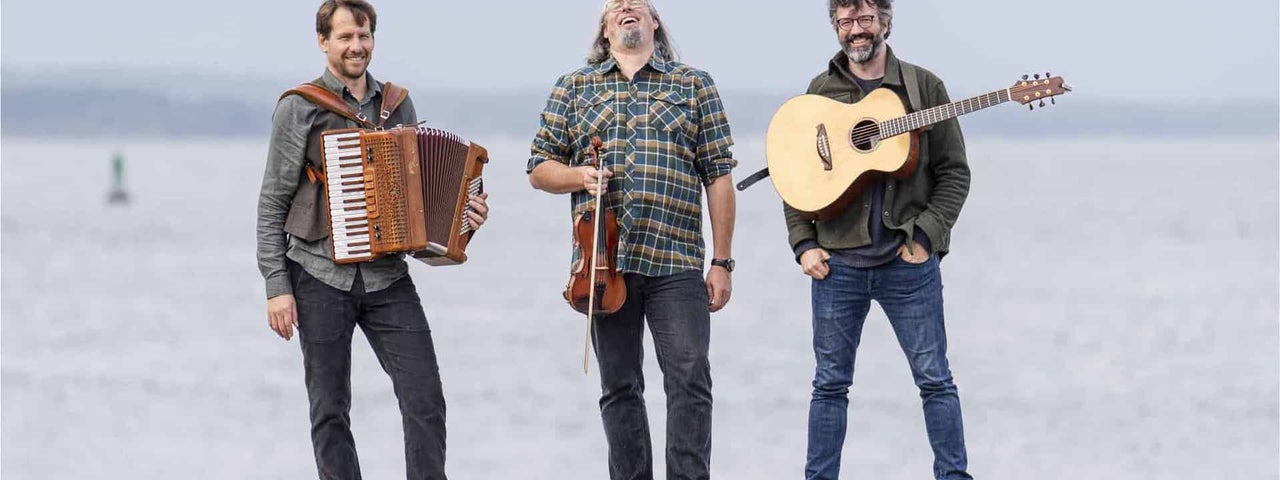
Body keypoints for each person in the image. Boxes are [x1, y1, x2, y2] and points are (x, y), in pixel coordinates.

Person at [255, 1, 489, 478]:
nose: (355, 46)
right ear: (323, 41)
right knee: (329, 409)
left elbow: (418, 206)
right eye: (344, 37)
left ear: (373, 39)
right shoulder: (299, 107)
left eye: (362, 36)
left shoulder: (397, 104)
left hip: (387, 278)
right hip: (318, 274)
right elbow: (272, 202)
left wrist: (463, 219)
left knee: (425, 397)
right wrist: (277, 287)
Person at [527, 1, 736, 478]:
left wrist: (722, 262)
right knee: (619, 386)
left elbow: (718, 176)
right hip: (604, 264)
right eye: (615, 5)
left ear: (654, 22)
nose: (625, 7)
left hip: (676, 259)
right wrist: (578, 175)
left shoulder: (694, 84)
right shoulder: (574, 86)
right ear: (605, 29)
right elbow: (539, 167)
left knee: (690, 380)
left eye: (636, 3)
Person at [785, 1, 974, 479]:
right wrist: (804, 244)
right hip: (837, 266)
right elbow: (795, 175)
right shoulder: (820, 91)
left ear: (886, 21)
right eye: (846, 21)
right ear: (835, 26)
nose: (856, 30)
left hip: (906, 263)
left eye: (866, 19)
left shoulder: (923, 88)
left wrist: (926, 236)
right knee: (829, 386)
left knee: (935, 380)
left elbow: (954, 173)